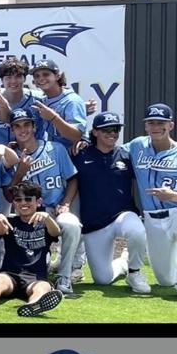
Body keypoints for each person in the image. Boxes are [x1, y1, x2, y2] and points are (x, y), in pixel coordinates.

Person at [127, 103, 177, 302]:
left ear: (171, 125)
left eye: (161, 123)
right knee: (165, 280)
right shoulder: (137, 146)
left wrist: (174, 196)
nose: (156, 126)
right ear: (146, 126)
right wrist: (85, 143)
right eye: (151, 122)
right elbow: (111, 151)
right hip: (152, 219)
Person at [1, 107, 82, 296]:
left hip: (54, 209)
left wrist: (66, 203)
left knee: (71, 225)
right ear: (12, 130)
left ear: (34, 126)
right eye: (17, 126)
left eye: (26, 124)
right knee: (38, 267)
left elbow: (72, 179)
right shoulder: (10, 157)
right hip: (27, 215)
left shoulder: (55, 148)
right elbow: (9, 196)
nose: (23, 129)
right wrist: (19, 173)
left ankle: (64, 276)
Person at [71, 112, 151, 294]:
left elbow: (152, 163)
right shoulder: (80, 154)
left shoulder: (127, 155)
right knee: (103, 279)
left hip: (123, 214)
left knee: (137, 231)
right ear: (95, 132)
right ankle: (123, 263)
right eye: (106, 129)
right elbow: (70, 180)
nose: (112, 133)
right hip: (94, 223)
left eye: (115, 129)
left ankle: (134, 272)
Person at [0, 181, 65, 318]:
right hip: (10, 274)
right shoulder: (10, 222)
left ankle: (33, 305)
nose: (23, 203)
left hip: (35, 277)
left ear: (38, 202)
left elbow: (56, 232)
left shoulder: (44, 224)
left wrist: (47, 217)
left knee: (43, 287)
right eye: (18, 200)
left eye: (28, 199)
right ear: (14, 203)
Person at [0, 57, 45, 148]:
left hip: (34, 153)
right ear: (2, 80)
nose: (13, 81)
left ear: (24, 78)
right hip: (0, 154)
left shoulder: (39, 99)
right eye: (8, 77)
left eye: (18, 76)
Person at [28, 59, 87, 149]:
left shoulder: (72, 100)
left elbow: (76, 136)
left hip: (70, 154)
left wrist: (53, 118)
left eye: (46, 74)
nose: (41, 78)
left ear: (57, 76)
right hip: (50, 154)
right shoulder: (42, 100)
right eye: (37, 76)